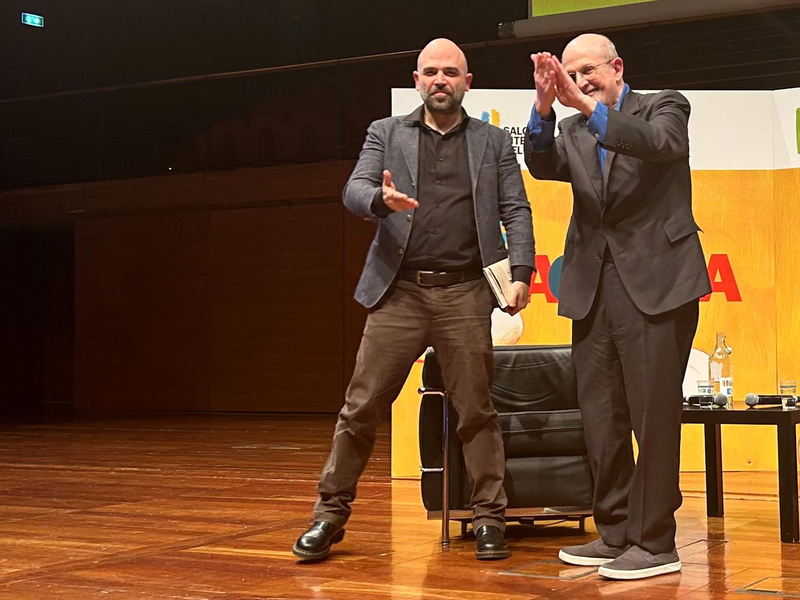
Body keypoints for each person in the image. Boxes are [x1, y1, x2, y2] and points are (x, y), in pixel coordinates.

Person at [292, 38, 535, 562]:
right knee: (360, 409)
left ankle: (490, 518)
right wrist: (381, 199)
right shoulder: (387, 133)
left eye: (451, 72)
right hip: (399, 292)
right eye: (431, 72)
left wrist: (521, 273)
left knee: (476, 412)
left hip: (466, 292)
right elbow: (354, 189)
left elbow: (516, 210)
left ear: (467, 82)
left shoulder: (492, 141)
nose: (440, 80)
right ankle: (329, 517)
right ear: (417, 80)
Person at [524, 34, 711, 580]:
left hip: (655, 282)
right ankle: (615, 532)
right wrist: (541, 109)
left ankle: (655, 544)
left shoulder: (664, 106)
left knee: (653, 417)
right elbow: (541, 164)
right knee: (602, 418)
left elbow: (658, 143)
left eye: (589, 71)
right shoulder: (572, 128)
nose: (581, 82)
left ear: (617, 67)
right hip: (592, 285)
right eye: (572, 75)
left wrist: (584, 107)